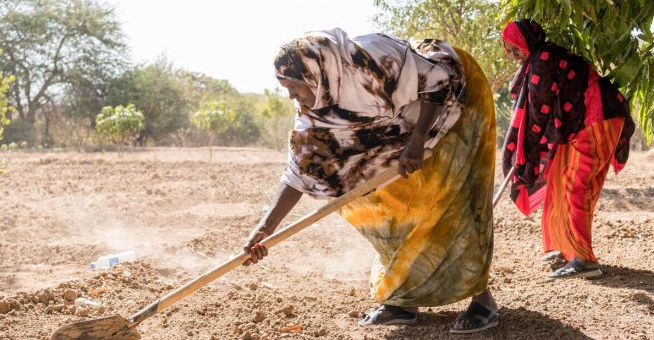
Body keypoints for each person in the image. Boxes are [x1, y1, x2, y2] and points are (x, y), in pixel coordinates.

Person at [243, 28, 499, 334]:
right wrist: (266, 227)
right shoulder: (311, 112)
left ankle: (481, 299)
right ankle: (401, 300)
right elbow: (298, 170)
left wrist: (417, 143)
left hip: (453, 104)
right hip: (395, 136)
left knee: (449, 198)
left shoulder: (372, 60)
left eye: (295, 87)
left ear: (316, 75)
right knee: (378, 204)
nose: (291, 96)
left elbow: (437, 82)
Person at [500, 20, 635, 279]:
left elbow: (539, 115)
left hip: (596, 117)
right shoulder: (540, 58)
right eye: (508, 51)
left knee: (577, 187)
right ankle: (566, 246)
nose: (513, 56)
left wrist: (525, 155)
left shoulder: (543, 59)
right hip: (581, 122)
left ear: (527, 41)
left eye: (515, 49)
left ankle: (584, 260)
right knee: (559, 183)